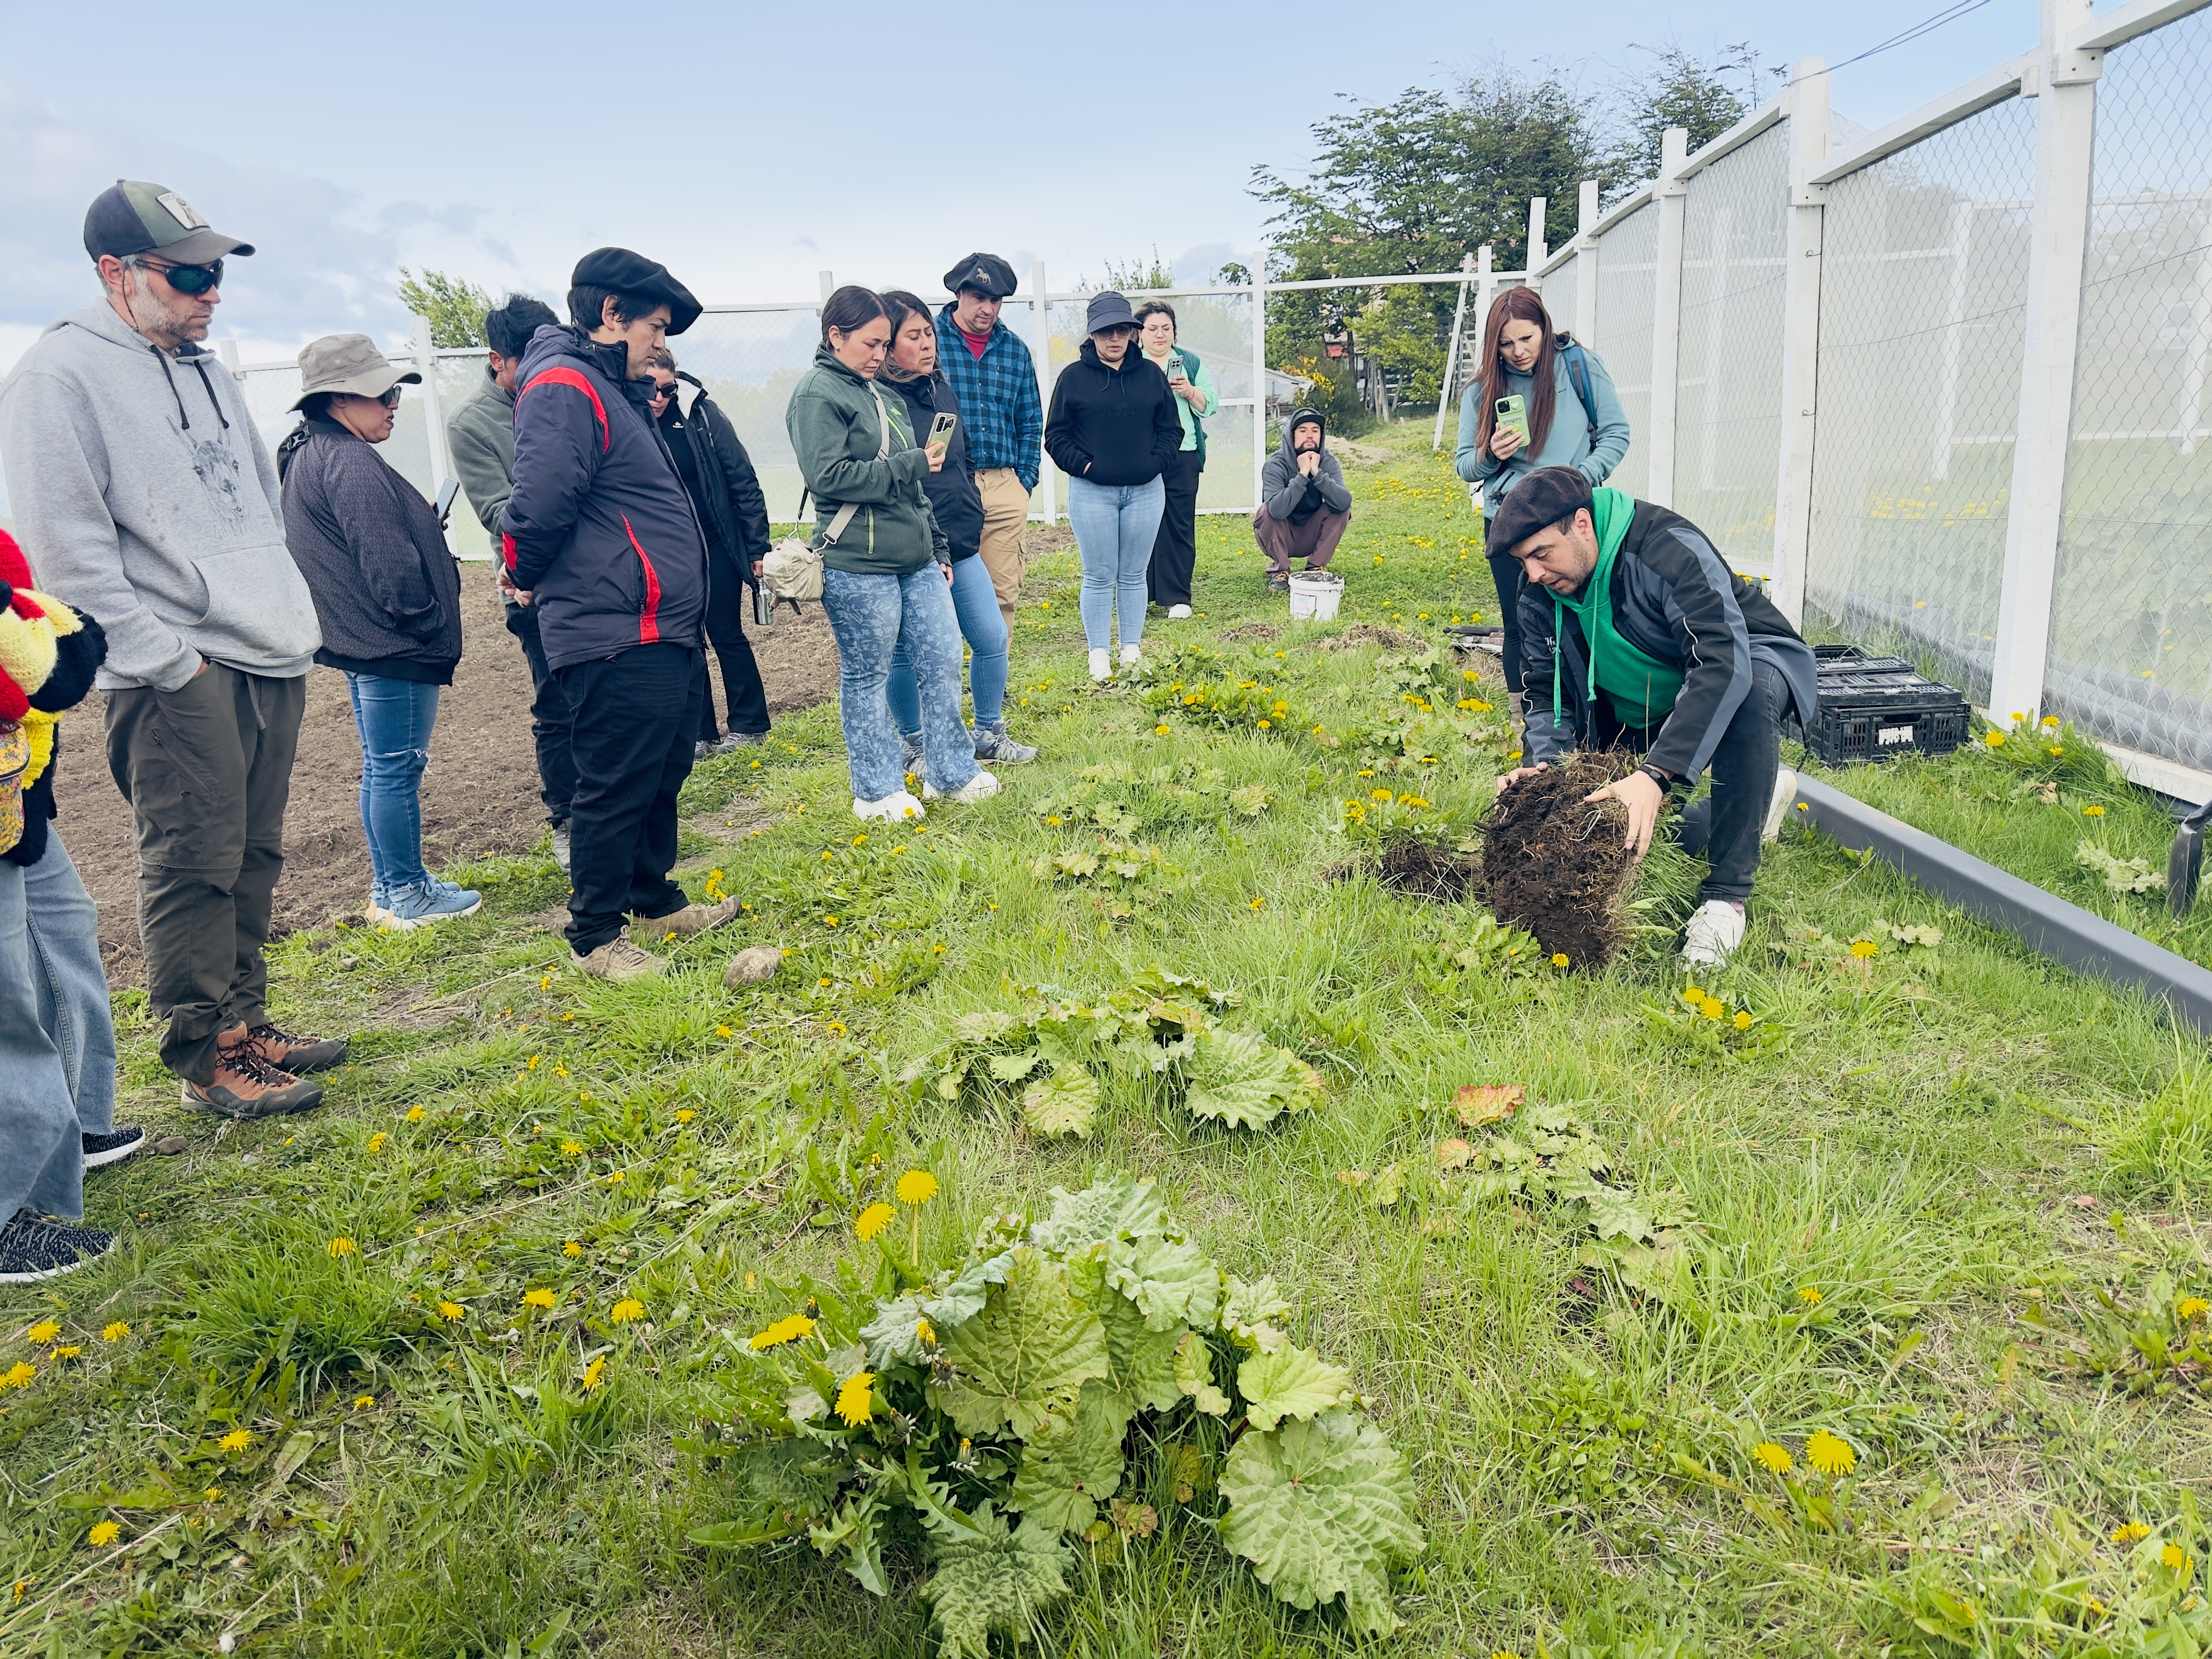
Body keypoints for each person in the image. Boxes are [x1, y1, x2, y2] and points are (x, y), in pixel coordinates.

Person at [0, 179, 342, 1118]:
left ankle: (248, 1017)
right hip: (179, 666)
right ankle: (207, 1050)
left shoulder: (205, 367)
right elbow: (67, 553)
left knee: (254, 852)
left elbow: (251, 516)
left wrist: (284, 611)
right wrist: (170, 659)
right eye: (189, 272)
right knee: (194, 856)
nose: (211, 290)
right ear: (115, 273)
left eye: (216, 270)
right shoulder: (56, 378)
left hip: (266, 645)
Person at [502, 247, 738, 981]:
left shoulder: (608, 387)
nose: (661, 346)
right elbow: (538, 503)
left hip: (656, 623)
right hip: (614, 626)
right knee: (613, 781)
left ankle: (652, 899)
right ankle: (597, 936)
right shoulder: (565, 386)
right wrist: (519, 572)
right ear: (611, 315)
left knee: (659, 768)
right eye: (656, 328)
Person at [1490, 466, 1818, 968]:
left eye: (1540, 554)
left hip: (1745, 659)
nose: (1532, 574)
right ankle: (1760, 798)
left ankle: (1725, 899)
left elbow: (1721, 660)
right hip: (1640, 701)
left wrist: (1656, 774)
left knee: (1749, 692)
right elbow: (1545, 689)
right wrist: (1546, 771)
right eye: (1522, 562)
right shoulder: (1539, 591)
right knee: (1638, 837)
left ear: (1581, 524)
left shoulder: (1666, 548)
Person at [278, 334, 475, 931]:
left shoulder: (314, 452)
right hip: (392, 646)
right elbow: (387, 564)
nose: (394, 403)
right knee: (397, 767)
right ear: (339, 398)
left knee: (382, 766)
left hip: (365, 643)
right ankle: (408, 894)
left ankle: (394, 886)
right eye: (383, 393)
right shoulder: (349, 461)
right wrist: (424, 621)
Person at [788, 285, 994, 821]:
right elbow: (829, 477)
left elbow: (916, 488)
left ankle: (951, 774)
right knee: (867, 675)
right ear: (836, 336)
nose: (880, 355)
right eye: (871, 344)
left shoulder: (884, 394)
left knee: (944, 659)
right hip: (858, 562)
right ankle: (876, 792)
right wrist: (909, 467)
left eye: (885, 345)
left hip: (918, 557)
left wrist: (938, 545)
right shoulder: (817, 394)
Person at [0, 530, 140, 1282]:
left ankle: (73, 1130)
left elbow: (68, 661)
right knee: (4, 1006)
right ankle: (8, 1210)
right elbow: (39, 674)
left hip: (17, 802)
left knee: (61, 938)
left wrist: (39, 634)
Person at [1455, 287, 1631, 728]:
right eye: (1506, 343)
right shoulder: (1481, 392)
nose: (1518, 352)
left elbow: (1615, 434)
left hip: (1573, 520)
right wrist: (1492, 453)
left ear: (1545, 329)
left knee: (1589, 615)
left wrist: (1575, 484)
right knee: (1521, 624)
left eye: (1527, 339)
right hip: (1510, 523)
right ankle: (1528, 721)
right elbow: (1465, 466)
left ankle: (1597, 716)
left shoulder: (1579, 367)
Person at [878, 291, 1036, 769]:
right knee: (908, 653)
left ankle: (989, 732)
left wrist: (972, 505)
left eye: (929, 333)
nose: (928, 344)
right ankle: (916, 742)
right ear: (886, 346)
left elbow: (959, 460)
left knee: (990, 637)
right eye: (914, 336)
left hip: (961, 542)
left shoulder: (940, 388)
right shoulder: (880, 403)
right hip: (913, 549)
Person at [447, 294, 574, 874]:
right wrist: (563, 509)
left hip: (592, 578)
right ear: (498, 360)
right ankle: (567, 820)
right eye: (531, 358)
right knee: (557, 705)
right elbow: (499, 510)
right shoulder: (473, 423)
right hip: (533, 586)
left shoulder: (568, 391)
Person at [1045, 291, 1183, 681]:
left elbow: (1170, 430)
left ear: (1132, 333)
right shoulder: (1073, 378)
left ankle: (1132, 649)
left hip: (1145, 490)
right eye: (1106, 332)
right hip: (1092, 493)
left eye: (1122, 330)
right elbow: (1056, 436)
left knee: (1134, 574)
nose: (1115, 339)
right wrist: (1087, 466)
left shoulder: (1151, 376)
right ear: (1092, 335)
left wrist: (1154, 463)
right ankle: (1099, 653)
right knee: (1099, 574)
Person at [642, 348, 772, 759]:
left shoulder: (702, 416)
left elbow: (742, 480)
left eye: (668, 389)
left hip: (715, 543)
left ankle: (750, 724)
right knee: (685, 639)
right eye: (650, 388)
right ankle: (699, 734)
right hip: (666, 552)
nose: (659, 397)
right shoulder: (627, 423)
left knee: (725, 632)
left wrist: (757, 546)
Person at [934, 255, 1041, 629]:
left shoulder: (1015, 350)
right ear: (959, 293)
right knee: (937, 592)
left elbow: (1030, 421)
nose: (988, 308)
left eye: (995, 300)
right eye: (979, 297)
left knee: (1002, 594)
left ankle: (994, 686)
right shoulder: (928, 343)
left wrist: (1022, 483)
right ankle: (944, 685)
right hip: (945, 485)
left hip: (1002, 484)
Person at [1135, 301, 1219, 619]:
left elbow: (1210, 404)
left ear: (1174, 332)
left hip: (1183, 454)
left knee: (1179, 524)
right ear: (1139, 334)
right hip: (1142, 456)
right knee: (1140, 525)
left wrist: (1189, 391)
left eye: (1166, 329)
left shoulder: (1190, 364)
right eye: (1152, 329)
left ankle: (1178, 597)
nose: (1160, 335)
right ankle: (1140, 594)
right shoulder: (1129, 363)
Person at [1254, 407, 1352, 592]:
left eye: (1315, 431)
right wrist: (1302, 475)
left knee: (1341, 508)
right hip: (1281, 533)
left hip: (1311, 532)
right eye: (1303, 430)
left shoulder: (1327, 461)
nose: (1310, 435)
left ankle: (1315, 568)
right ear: (1292, 435)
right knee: (1266, 510)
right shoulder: (1275, 464)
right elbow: (1276, 511)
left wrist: (1317, 473)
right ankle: (1280, 571)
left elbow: (1344, 502)